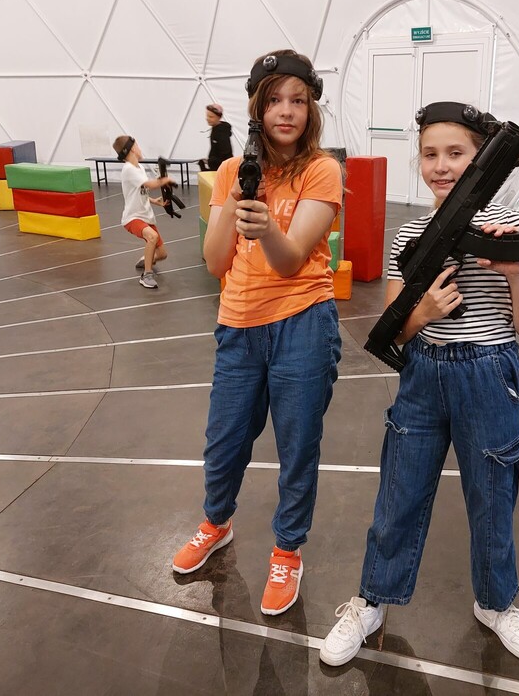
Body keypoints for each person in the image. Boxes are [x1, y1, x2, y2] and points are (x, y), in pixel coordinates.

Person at [319, 101, 519, 666]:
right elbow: (393, 328)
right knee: (398, 495)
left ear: (479, 159)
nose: (441, 165)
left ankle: (497, 603)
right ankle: (371, 600)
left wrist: (515, 273)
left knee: (493, 499)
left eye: (455, 153)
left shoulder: (512, 228)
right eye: (429, 154)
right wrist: (421, 312)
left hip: (489, 373)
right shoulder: (410, 234)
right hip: (422, 374)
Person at [172, 50, 343, 617]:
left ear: (311, 109)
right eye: (274, 100)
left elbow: (291, 260)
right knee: (224, 440)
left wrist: (266, 224)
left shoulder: (321, 170)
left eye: (298, 100)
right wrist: (239, 196)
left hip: (303, 322)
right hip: (239, 326)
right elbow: (214, 261)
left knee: (298, 445)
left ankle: (287, 550)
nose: (286, 111)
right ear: (256, 108)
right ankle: (216, 522)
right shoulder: (230, 171)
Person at [113, 135, 175, 289]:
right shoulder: (128, 169)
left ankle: (145, 259)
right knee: (152, 237)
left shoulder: (139, 168)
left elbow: (141, 191)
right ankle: (146, 275)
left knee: (162, 254)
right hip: (133, 218)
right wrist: (164, 180)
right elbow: (149, 184)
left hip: (146, 217)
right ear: (133, 149)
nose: (140, 148)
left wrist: (155, 201)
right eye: (138, 145)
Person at [198, 103, 233, 173]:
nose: (207, 119)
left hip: (222, 169)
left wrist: (211, 161)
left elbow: (226, 153)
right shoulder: (216, 129)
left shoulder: (221, 132)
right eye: (207, 116)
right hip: (218, 166)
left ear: (219, 117)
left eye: (211, 117)